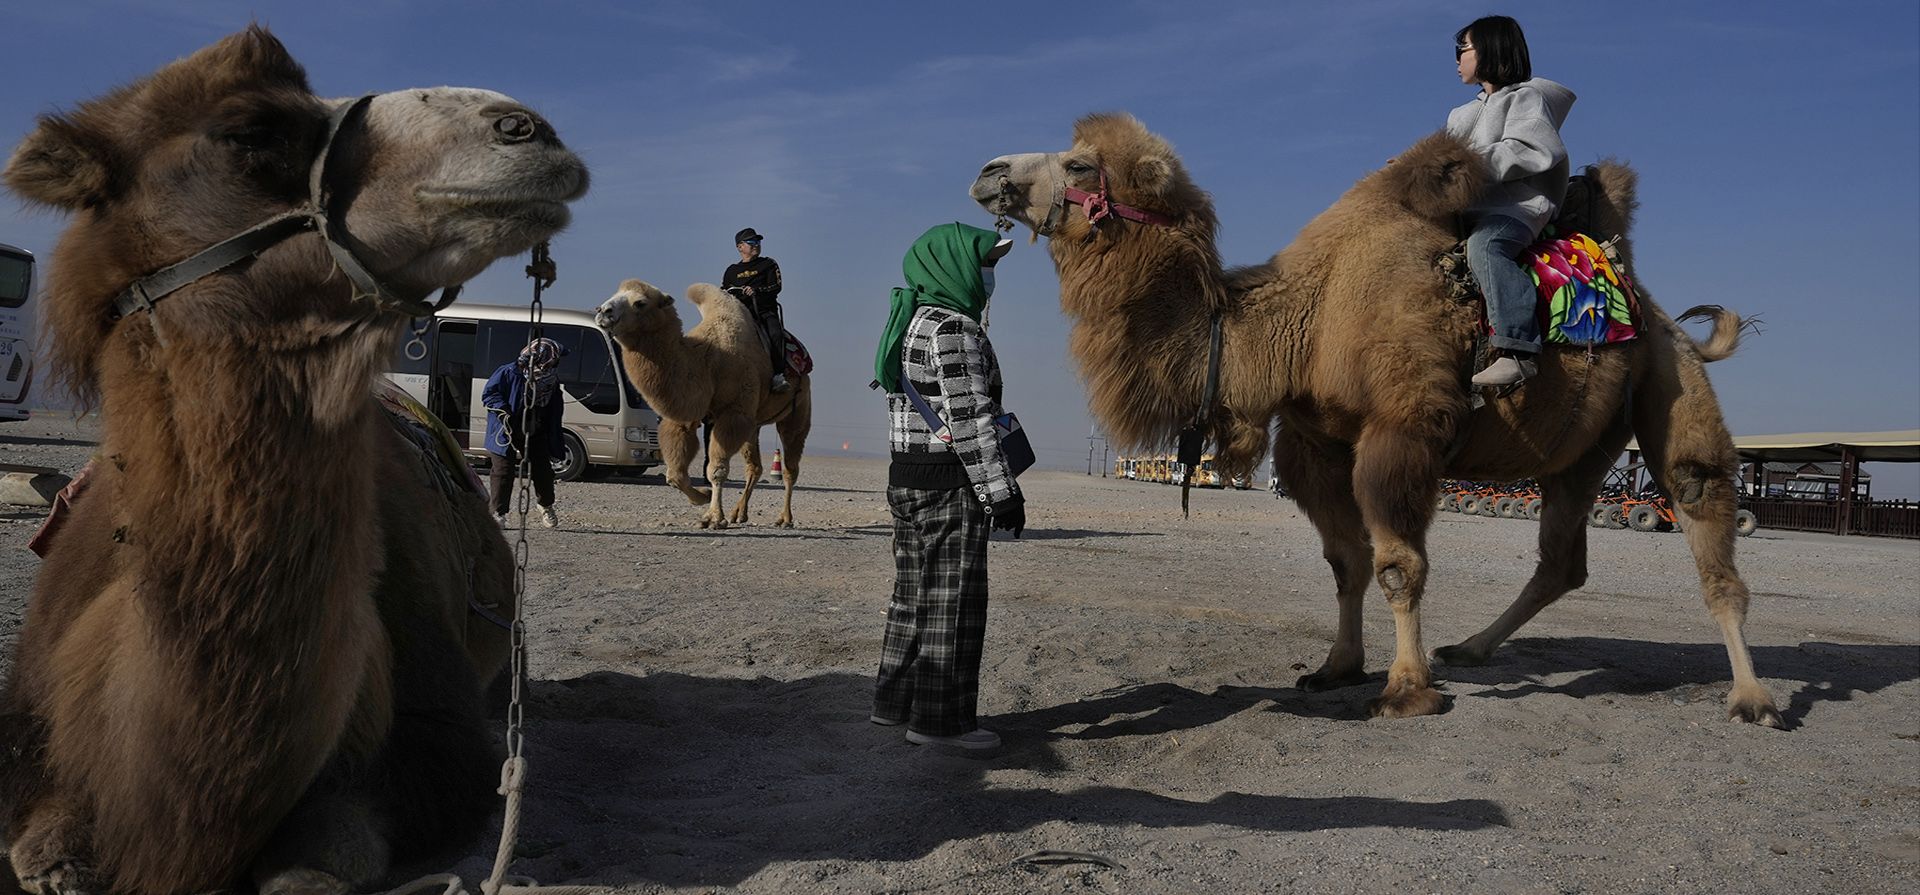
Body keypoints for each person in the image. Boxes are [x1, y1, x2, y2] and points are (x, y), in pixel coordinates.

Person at [869, 222, 1021, 752]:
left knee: (911, 598)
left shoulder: (909, 320)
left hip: (905, 479)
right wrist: (1001, 493)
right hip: (948, 486)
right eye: (986, 264)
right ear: (953, 266)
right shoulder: (954, 328)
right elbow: (970, 418)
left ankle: (893, 704)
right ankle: (939, 723)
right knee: (952, 603)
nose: (989, 275)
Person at [1446, 15, 1576, 388]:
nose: (1457, 60)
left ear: (1489, 49)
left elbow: (1527, 150)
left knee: (1485, 248)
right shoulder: (1461, 114)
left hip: (1514, 210)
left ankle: (1518, 349)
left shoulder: (1527, 99)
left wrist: (1464, 166)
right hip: (1466, 212)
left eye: (1463, 49)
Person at [482, 337, 567, 529]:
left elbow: (553, 405)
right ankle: (498, 513)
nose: (556, 363)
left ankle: (545, 505)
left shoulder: (551, 379)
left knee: (543, 470)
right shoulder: (508, 372)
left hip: (535, 427)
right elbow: (489, 394)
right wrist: (505, 412)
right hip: (506, 428)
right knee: (503, 471)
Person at [722, 227, 790, 392]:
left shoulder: (768, 264)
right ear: (740, 247)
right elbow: (724, 290)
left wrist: (757, 291)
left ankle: (778, 376)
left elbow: (777, 286)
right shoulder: (731, 271)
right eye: (751, 242)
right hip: (739, 314)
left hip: (764, 312)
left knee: (776, 334)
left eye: (758, 241)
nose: (756, 245)